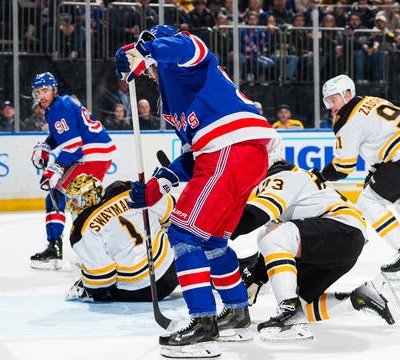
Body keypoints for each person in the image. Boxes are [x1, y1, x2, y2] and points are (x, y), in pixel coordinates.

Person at [115, 25, 279, 358]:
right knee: (214, 241)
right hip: (241, 155)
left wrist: (147, 48)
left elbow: (184, 47)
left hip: (230, 149)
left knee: (183, 234)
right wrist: (160, 183)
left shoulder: (186, 57)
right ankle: (236, 311)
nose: (146, 73)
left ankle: (203, 324)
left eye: (147, 66)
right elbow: (192, 156)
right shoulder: (171, 98)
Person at [231, 155, 400, 341]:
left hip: (340, 231)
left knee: (270, 234)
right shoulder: (296, 176)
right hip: (342, 239)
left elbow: (255, 216)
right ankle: (360, 298)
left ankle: (289, 314)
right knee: (305, 307)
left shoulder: (280, 177)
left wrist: (209, 231)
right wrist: (257, 276)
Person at [318, 74, 400, 280]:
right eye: (327, 101)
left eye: (333, 99)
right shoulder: (371, 101)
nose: (331, 106)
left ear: (347, 94)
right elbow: (380, 148)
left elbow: (343, 167)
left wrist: (320, 175)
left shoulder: (346, 120)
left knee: (367, 201)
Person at [29, 72, 117, 270]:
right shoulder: (56, 107)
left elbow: (74, 147)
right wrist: (46, 145)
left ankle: (57, 250)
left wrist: (56, 168)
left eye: (45, 90)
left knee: (58, 192)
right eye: (38, 92)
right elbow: (60, 134)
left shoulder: (60, 108)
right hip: (98, 152)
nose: (42, 95)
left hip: (90, 154)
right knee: (83, 201)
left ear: (55, 90)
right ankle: (95, 251)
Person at [64, 174, 178, 302]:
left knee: (95, 278)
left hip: (142, 290)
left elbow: (103, 278)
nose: (71, 206)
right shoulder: (125, 188)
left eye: (75, 201)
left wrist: (88, 286)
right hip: (174, 267)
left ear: (90, 198)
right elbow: (175, 210)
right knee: (178, 231)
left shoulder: (81, 229)